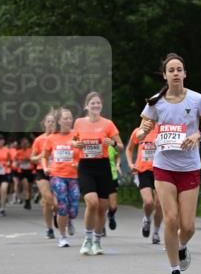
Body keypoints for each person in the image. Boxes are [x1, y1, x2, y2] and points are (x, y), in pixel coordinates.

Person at [136, 53, 201, 274]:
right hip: (164, 166)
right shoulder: (155, 102)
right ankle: (174, 271)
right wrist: (144, 131)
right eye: (171, 70)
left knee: (188, 226)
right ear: (165, 75)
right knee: (171, 218)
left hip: (189, 167)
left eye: (179, 69)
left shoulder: (197, 99)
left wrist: (197, 135)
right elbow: (139, 133)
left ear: (185, 74)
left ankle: (180, 246)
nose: (176, 73)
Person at [72, 91, 123, 256]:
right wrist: (75, 144)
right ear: (86, 106)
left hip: (103, 167)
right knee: (92, 202)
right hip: (86, 166)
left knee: (102, 208)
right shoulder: (79, 122)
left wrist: (113, 143)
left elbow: (120, 147)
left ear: (101, 106)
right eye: (92, 103)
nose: (96, 105)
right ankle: (87, 239)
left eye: (98, 103)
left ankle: (97, 240)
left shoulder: (108, 124)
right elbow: (73, 140)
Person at [42, 108, 81, 247]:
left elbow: (83, 153)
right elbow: (44, 157)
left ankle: (69, 219)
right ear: (59, 121)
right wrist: (45, 167)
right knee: (62, 205)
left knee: (73, 208)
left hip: (74, 176)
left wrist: (79, 163)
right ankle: (63, 237)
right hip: (57, 175)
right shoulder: (51, 138)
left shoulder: (76, 135)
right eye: (65, 118)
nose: (68, 121)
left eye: (70, 118)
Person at [126, 121, 162, 245]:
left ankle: (156, 232)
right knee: (148, 202)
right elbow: (129, 149)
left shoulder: (162, 130)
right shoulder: (139, 131)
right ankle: (147, 219)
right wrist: (130, 164)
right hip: (143, 171)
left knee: (159, 204)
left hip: (159, 170)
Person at [31, 112, 58, 239]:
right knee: (47, 200)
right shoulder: (39, 140)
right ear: (44, 124)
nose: (51, 124)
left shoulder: (60, 138)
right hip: (42, 171)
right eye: (48, 121)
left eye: (53, 121)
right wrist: (40, 156)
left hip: (58, 171)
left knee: (57, 202)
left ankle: (58, 214)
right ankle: (49, 228)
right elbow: (32, 158)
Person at [14, 136, 34, 209]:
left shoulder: (31, 151)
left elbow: (34, 160)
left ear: (28, 144)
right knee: (26, 185)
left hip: (30, 170)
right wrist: (20, 161)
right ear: (21, 144)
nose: (24, 144)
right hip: (22, 171)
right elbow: (15, 163)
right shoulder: (18, 152)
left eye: (26, 143)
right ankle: (27, 201)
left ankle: (28, 200)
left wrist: (29, 159)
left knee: (30, 187)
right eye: (23, 143)